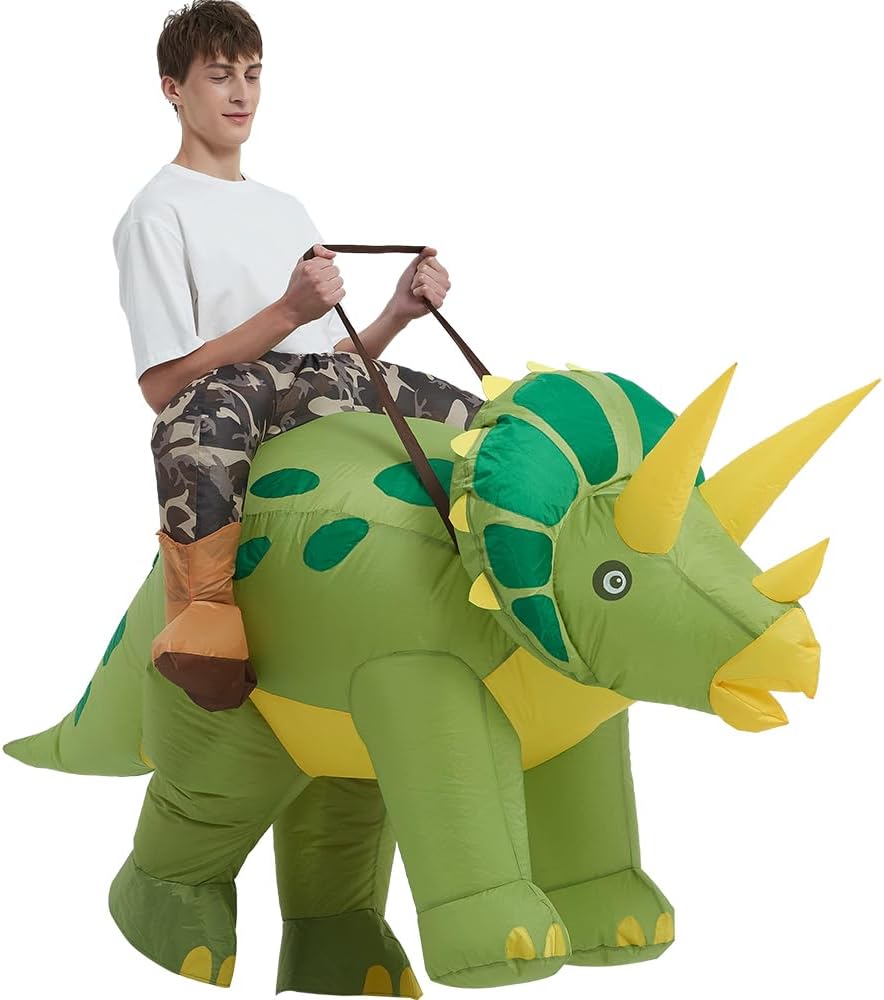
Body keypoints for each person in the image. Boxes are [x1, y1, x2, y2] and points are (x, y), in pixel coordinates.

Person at [113, 0, 483, 713]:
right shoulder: (156, 213)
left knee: (474, 416)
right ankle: (204, 616)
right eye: (220, 76)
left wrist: (397, 313)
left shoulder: (286, 208)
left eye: (252, 75)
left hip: (314, 382)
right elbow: (164, 387)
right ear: (173, 88)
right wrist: (286, 310)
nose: (241, 93)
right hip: (228, 397)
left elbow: (324, 363)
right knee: (199, 419)